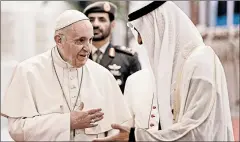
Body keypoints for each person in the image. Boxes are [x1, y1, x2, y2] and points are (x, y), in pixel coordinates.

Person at [94, 1, 234, 141]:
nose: (139, 41)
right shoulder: (175, 71)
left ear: (161, 27)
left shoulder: (201, 63)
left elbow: (198, 133)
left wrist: (135, 136)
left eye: (141, 32)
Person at [1, 10, 132, 141]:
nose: (88, 48)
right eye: (80, 40)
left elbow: (116, 128)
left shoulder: (103, 75)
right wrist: (67, 122)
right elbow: (17, 130)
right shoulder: (28, 71)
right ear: (59, 40)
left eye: (90, 40)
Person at [83, 1, 141, 93]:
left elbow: (136, 96)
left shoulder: (128, 58)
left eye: (102, 19)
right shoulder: (76, 56)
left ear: (113, 25)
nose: (95, 24)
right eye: (91, 20)